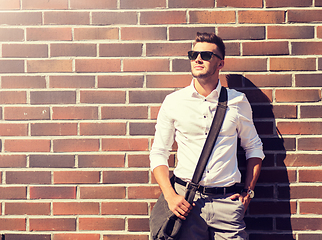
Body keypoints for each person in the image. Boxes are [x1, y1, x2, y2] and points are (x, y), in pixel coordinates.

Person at [149, 32, 265, 239]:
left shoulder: (238, 101)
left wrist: (248, 192)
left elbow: (253, 147)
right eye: (193, 54)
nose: (198, 59)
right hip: (185, 203)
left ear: (220, 63)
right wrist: (170, 195)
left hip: (228, 204)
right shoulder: (174, 101)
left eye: (206, 55)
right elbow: (159, 152)